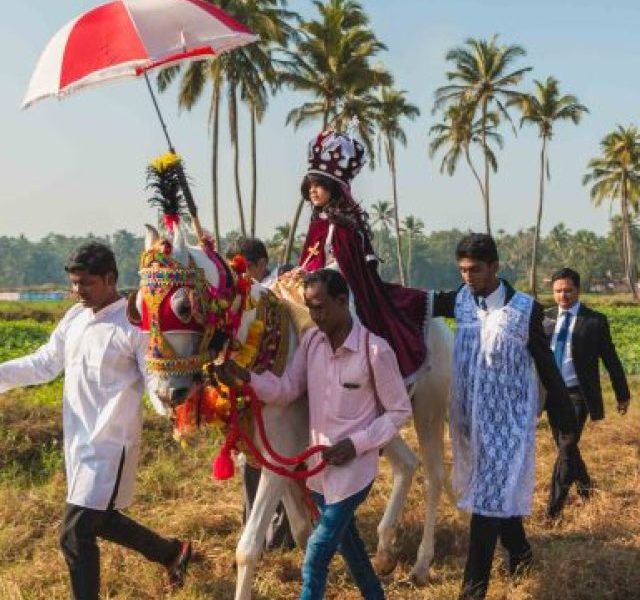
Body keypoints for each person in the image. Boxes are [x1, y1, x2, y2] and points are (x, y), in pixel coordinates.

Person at [0, 242, 191, 600]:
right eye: (74, 283)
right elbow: (44, 363)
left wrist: (168, 406)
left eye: (85, 283)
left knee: (74, 532)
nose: (77, 291)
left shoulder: (134, 326)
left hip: (110, 443)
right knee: (100, 520)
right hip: (78, 440)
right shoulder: (75, 317)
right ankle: (172, 553)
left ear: (110, 279)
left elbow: (152, 378)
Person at [217, 268, 411, 600]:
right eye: (309, 307)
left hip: (353, 473)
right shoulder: (312, 344)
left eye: (320, 307)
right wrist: (246, 379)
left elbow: (399, 412)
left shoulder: (375, 351)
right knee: (353, 553)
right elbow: (287, 389)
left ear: (342, 301)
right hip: (318, 476)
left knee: (316, 555)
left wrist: (356, 444)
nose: (315, 316)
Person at [430, 233, 577, 600]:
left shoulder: (525, 310)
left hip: (508, 425)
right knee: (497, 498)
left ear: (494, 267)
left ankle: (472, 591)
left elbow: (546, 365)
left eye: (475, 269)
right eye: (462, 269)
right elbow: (404, 301)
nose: (467, 276)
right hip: (469, 424)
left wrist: (565, 419)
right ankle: (521, 552)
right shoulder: (460, 301)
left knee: (486, 503)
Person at [296, 130, 428, 383]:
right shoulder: (317, 223)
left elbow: (346, 265)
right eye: (310, 185)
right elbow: (309, 258)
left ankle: (359, 370)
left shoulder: (344, 225)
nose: (313, 191)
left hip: (338, 287)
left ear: (333, 188)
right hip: (310, 283)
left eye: (319, 185)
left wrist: (319, 278)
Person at [225, 237, 295, 551]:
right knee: (251, 462)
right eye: (231, 270)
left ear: (261, 265)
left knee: (277, 460)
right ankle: (254, 531)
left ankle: (279, 540)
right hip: (245, 391)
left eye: (243, 268)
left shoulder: (282, 295)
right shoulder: (235, 301)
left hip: (279, 389)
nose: (237, 276)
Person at [545, 268, 630, 518]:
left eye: (568, 290)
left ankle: (553, 511)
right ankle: (586, 489)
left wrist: (622, 393)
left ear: (578, 290)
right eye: (558, 291)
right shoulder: (544, 318)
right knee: (566, 448)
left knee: (566, 447)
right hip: (551, 394)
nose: (563, 295)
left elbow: (611, 359)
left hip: (577, 395)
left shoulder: (594, 321)